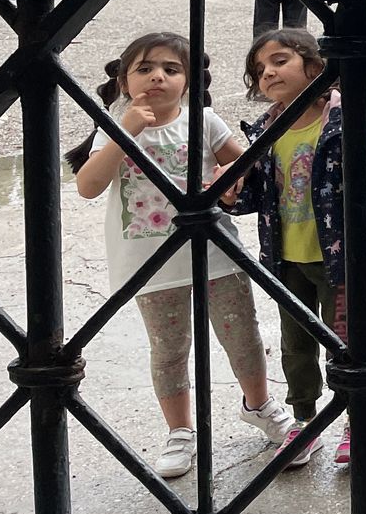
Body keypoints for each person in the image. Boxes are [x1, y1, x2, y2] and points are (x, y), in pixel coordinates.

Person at [69, 32, 293, 479]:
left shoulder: (204, 121)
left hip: (215, 251)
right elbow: (88, 186)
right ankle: (180, 431)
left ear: (188, 81)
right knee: (169, 350)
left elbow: (246, 163)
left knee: (242, 335)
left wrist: (232, 176)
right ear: (124, 80)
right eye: (145, 69)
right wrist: (125, 131)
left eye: (171, 69)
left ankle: (259, 404)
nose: (158, 77)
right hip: (151, 264)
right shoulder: (113, 126)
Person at [223, 28, 366, 468]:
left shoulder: (343, 120)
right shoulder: (266, 130)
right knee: (296, 346)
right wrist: (231, 193)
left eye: (279, 60)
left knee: (348, 342)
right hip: (287, 259)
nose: (268, 72)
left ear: (316, 66)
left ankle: (356, 417)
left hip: (342, 259)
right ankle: (303, 420)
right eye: (259, 69)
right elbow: (258, 196)